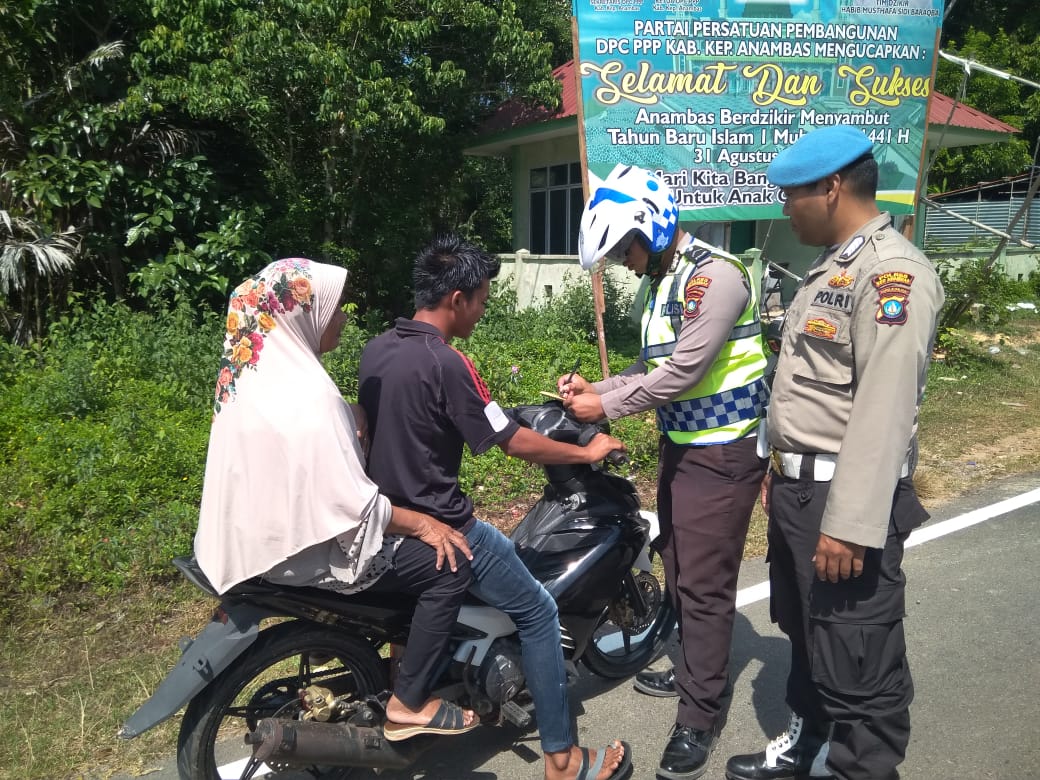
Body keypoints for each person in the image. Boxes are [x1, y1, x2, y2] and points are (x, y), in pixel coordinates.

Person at [358, 234, 633, 780]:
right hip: (443, 523)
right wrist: (586, 450)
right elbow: (510, 439)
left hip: (386, 521)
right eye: (481, 300)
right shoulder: (446, 362)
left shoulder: (377, 348)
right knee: (539, 611)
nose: (483, 310)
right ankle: (562, 759)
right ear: (457, 299)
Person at [724, 125, 945, 780]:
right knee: (808, 632)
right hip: (801, 490)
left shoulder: (892, 275)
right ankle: (807, 744)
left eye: (792, 194)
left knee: (858, 655)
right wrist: (778, 464)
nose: (784, 208)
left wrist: (849, 524)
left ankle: (859, 767)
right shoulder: (831, 268)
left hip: (844, 499)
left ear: (831, 187)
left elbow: (882, 412)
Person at [193, 257, 480, 741]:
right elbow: (356, 507)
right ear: (300, 315)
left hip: (249, 536)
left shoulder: (251, 379)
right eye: (334, 309)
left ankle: (360, 650)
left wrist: (351, 414)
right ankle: (409, 702)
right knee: (449, 567)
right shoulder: (314, 397)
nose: (343, 317)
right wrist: (426, 524)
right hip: (299, 552)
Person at [560, 164, 769, 780]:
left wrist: (607, 407)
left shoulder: (714, 278)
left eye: (624, 250)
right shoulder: (666, 279)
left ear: (650, 229)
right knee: (678, 563)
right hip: (684, 446)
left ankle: (700, 713)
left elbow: (685, 373)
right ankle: (696, 670)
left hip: (724, 451)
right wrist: (595, 389)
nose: (624, 264)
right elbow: (650, 368)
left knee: (703, 585)